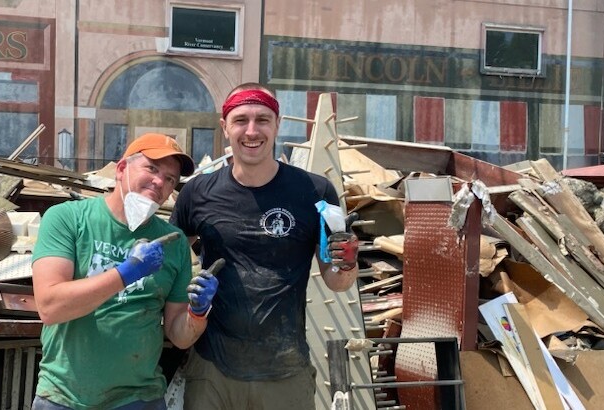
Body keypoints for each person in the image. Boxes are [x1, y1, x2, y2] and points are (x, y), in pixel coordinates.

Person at [169, 83, 361, 409]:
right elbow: (171, 261)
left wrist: (347, 263)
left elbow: (336, 279)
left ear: (277, 124)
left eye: (263, 119)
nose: (252, 130)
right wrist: (186, 299)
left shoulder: (315, 191)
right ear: (225, 127)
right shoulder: (197, 192)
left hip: (285, 372)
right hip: (213, 369)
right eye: (241, 120)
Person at [31, 133, 219, 410]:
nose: (159, 182)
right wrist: (126, 273)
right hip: (64, 396)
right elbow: (50, 307)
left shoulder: (174, 242)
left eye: (169, 179)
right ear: (121, 170)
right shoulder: (66, 218)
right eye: (152, 169)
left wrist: (198, 313)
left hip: (139, 398)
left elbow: (179, 336)